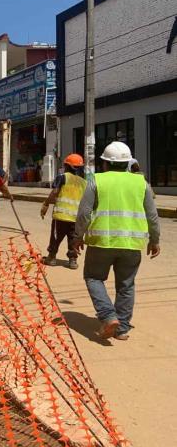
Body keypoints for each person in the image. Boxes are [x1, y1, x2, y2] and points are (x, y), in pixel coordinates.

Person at [73, 142, 160, 341]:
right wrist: (154, 240)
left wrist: (77, 237)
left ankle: (108, 316)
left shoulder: (96, 180)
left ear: (105, 163)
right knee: (126, 286)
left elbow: (84, 213)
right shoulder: (141, 182)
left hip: (101, 242)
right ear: (128, 163)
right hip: (131, 244)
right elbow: (152, 216)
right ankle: (122, 328)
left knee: (94, 278)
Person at [39, 153, 86, 269]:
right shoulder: (83, 182)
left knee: (55, 237)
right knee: (72, 238)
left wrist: (46, 203)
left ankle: (52, 257)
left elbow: (55, 192)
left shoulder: (62, 177)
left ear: (67, 166)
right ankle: (73, 260)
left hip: (61, 216)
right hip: (75, 218)